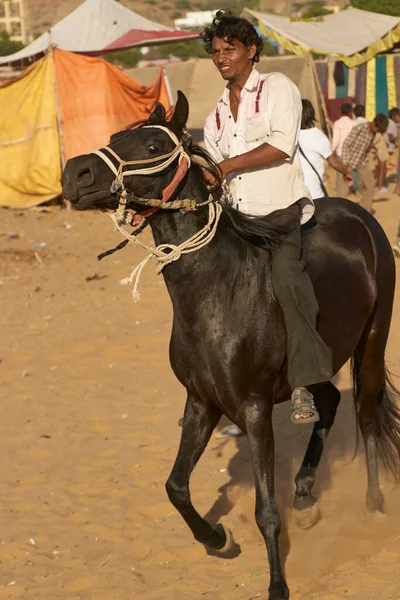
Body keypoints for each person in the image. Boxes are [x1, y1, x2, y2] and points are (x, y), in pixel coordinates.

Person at [201, 10, 334, 424]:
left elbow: (281, 147)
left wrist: (222, 168)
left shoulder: (278, 88)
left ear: (251, 50)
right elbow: (213, 168)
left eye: (230, 49)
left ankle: (303, 384)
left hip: (279, 215)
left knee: (289, 283)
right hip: (237, 221)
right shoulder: (216, 115)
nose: (221, 57)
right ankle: (218, 387)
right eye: (216, 51)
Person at [299, 99, 353, 199]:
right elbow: (334, 163)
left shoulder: (288, 136)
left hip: (293, 195)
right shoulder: (318, 136)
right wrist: (346, 173)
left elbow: (336, 139)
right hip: (314, 194)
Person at [336, 114, 389, 214]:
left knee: (370, 184)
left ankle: (366, 210)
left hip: (361, 162)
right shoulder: (359, 128)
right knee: (342, 189)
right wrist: (346, 164)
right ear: (373, 123)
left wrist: (365, 162)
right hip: (347, 162)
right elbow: (346, 144)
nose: (377, 132)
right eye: (377, 129)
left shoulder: (373, 134)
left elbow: (367, 149)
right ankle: (340, 212)